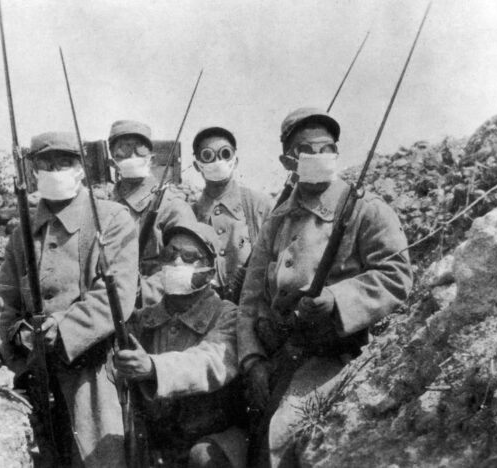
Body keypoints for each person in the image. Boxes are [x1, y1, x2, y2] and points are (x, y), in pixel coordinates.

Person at [236, 108, 413, 467]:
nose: (319, 157)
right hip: (278, 350)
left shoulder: (366, 209)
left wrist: (336, 298)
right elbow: (250, 299)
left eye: (327, 147)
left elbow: (396, 275)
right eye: (307, 150)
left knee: (281, 435)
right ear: (288, 160)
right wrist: (252, 358)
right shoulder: (278, 218)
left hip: (333, 353)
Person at [0, 132, 138, 468]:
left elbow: (117, 296)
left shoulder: (111, 219)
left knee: (100, 458)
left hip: (94, 369)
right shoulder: (23, 233)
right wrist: (18, 346)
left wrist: (61, 328)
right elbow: (2, 303)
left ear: (80, 168)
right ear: (33, 172)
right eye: (46, 164)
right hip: (36, 372)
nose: (55, 171)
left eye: (64, 163)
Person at [114, 221, 247, 468]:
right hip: (160, 442)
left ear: (209, 271)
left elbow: (210, 361)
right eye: (170, 254)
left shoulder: (227, 315)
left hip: (214, 438)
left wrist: (154, 368)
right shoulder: (144, 319)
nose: (176, 263)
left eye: (189, 257)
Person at [107, 120, 196, 306]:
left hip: (156, 308)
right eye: (123, 149)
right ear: (112, 161)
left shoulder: (173, 206)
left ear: (152, 158)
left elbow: (187, 267)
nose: (131, 154)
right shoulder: (102, 205)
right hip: (106, 306)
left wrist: (139, 292)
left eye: (139, 149)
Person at [191, 126, 273, 303]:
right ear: (197, 165)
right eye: (208, 155)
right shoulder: (190, 213)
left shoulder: (260, 204)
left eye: (225, 153)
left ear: (235, 161)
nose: (218, 160)